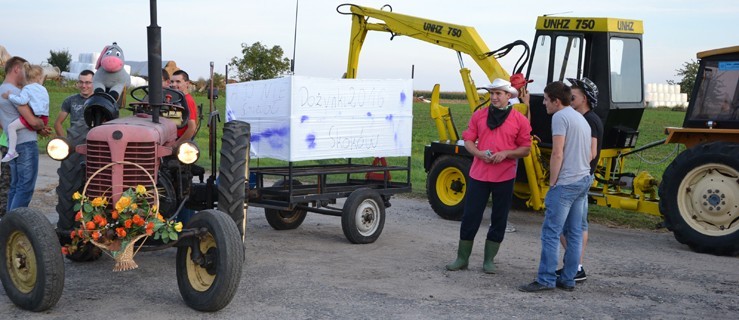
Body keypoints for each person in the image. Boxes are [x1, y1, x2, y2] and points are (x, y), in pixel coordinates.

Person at [445, 78, 531, 273]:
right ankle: (462, 258)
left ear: (508, 96)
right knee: (470, 216)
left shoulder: (520, 120)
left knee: (499, 218)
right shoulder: (479, 116)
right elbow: (468, 140)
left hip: (505, 176)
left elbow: (525, 149)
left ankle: (489, 261)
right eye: (491, 93)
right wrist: (478, 153)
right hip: (479, 175)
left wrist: (506, 154)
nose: (493, 97)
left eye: (498, 93)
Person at [519, 81, 591, 292]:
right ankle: (568, 279)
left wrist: (553, 183)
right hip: (583, 179)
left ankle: (546, 279)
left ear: (556, 101)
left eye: (545, 99)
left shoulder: (560, 117)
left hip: (566, 183)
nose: (543, 103)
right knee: (575, 232)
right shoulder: (580, 117)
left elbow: (557, 153)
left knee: (551, 232)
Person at [555, 77, 603, 283]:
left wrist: (570, 161)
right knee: (576, 225)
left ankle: (577, 266)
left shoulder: (589, 120)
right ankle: (575, 267)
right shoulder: (585, 118)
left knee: (571, 226)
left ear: (584, 98)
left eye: (573, 95)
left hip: (578, 176)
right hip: (583, 176)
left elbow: (591, 153)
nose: (570, 97)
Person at [0, 56, 47, 211]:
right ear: (17, 69)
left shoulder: (1, 90)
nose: (28, 76)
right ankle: (15, 226)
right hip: (26, 144)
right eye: (25, 71)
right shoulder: (14, 92)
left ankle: (7, 226)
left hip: (11, 144)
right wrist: (41, 125)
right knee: (24, 188)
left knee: (14, 187)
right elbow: (33, 121)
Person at [1, 64, 49, 162]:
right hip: (44, 117)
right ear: (40, 77)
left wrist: (10, 96)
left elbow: (22, 102)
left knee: (11, 127)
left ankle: (11, 152)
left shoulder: (26, 89)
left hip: (16, 138)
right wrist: (41, 127)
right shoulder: (43, 89)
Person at [54, 69, 94, 137]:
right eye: (81, 82)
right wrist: (65, 142)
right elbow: (57, 123)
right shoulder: (70, 100)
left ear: (94, 83)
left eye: (87, 82)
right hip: (74, 140)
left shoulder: (100, 101)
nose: (83, 86)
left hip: (94, 140)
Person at [169, 69, 198, 144]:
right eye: (172, 82)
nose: (173, 85)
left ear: (187, 83)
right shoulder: (175, 100)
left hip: (179, 141)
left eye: (178, 82)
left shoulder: (187, 101)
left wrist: (176, 145)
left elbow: (192, 128)